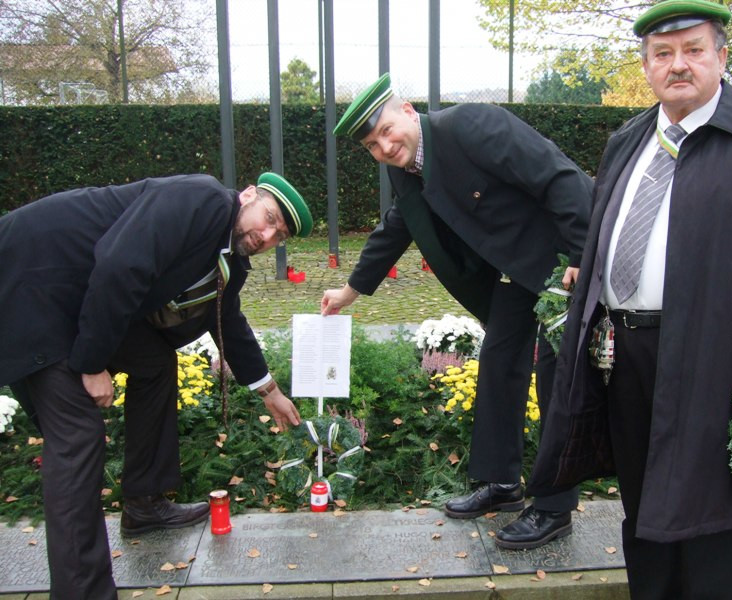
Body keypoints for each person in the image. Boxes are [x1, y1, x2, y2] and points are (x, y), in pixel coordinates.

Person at [526, 0, 732, 597]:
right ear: (647, 66)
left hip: (717, 360)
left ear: (721, 58)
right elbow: (609, 229)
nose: (678, 65)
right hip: (626, 356)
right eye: (663, 53)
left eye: (693, 50)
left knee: (712, 520)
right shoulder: (628, 140)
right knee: (644, 507)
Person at [0, 172, 313, 599]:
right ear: (248, 196)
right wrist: (92, 364)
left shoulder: (227, 254)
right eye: (270, 218)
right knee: (77, 436)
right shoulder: (201, 200)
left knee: (153, 363)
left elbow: (227, 319)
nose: (267, 235)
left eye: (279, 235)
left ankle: (144, 503)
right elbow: (119, 266)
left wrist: (269, 390)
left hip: (80, 296)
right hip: (34, 283)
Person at [320, 73, 593, 548]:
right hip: (514, 269)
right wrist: (352, 290)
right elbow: (400, 223)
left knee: (556, 377)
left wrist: (581, 252)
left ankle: (554, 507)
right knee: (499, 361)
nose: (384, 147)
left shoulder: (472, 125)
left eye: (386, 131)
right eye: (372, 145)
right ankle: (501, 483)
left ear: (407, 110)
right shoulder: (404, 168)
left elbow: (556, 173)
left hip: (560, 259)